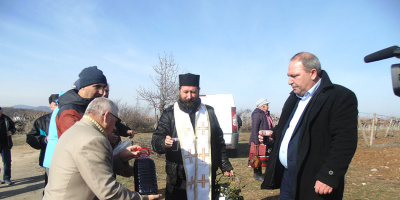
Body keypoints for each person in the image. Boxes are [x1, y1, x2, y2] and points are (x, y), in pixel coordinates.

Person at [259, 52, 358, 200]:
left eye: (294, 76)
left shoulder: (340, 97)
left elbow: (344, 141)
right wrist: (274, 133)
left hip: (316, 180)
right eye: (288, 76)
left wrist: (329, 175)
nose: (289, 81)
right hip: (288, 177)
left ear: (312, 73)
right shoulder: (293, 99)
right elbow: (289, 128)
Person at [43, 97, 161, 200]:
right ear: (106, 116)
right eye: (115, 122)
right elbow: (108, 191)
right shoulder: (94, 139)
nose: (115, 127)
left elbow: (88, 168)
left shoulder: (76, 130)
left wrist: (120, 158)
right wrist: (141, 198)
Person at [152, 73, 234, 200]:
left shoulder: (209, 112)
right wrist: (163, 142)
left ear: (198, 91)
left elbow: (218, 141)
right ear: (180, 91)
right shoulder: (170, 113)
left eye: (193, 92)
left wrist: (225, 164)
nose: (189, 96)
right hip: (179, 177)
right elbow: (156, 140)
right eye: (186, 92)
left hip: (205, 174)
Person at [42, 66, 108, 179]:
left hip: (81, 165)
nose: (101, 92)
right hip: (71, 168)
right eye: (97, 87)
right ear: (82, 87)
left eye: (103, 87)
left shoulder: (85, 105)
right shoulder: (70, 111)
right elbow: (78, 145)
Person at [26, 93, 59, 189]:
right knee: (50, 187)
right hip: (49, 159)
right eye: (56, 104)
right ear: (51, 106)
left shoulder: (69, 118)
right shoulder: (41, 121)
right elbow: (30, 138)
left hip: (68, 158)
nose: (58, 107)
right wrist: (44, 139)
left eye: (60, 104)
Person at [249, 98, 274, 181]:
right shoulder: (257, 114)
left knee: (264, 157)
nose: (268, 106)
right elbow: (255, 128)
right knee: (257, 157)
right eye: (267, 105)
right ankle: (257, 174)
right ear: (263, 106)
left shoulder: (266, 114)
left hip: (265, 138)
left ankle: (264, 174)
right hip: (258, 139)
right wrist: (256, 141)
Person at [0, 107, 16, 185]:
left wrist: (11, 132)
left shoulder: (6, 119)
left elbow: (13, 128)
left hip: (5, 143)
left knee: (7, 161)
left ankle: (7, 178)